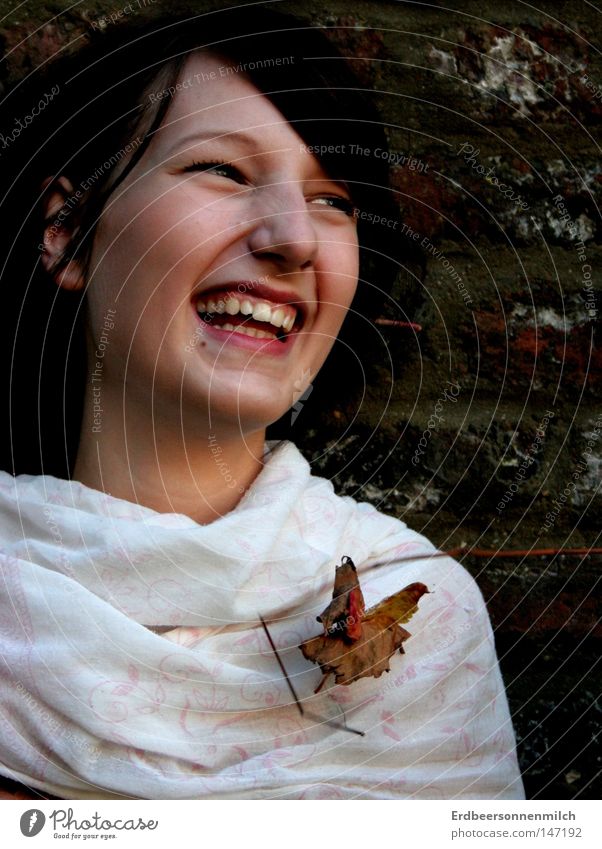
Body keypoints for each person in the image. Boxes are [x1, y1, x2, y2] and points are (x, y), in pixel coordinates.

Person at [0, 7, 524, 800]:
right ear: (69, 227)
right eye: (226, 171)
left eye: (333, 199)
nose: (295, 238)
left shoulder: (421, 614)